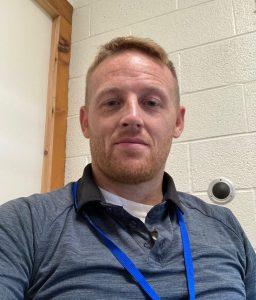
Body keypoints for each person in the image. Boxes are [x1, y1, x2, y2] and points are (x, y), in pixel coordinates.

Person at [0, 36, 255, 300]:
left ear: (177, 122)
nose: (132, 117)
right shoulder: (21, 225)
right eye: (112, 102)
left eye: (151, 103)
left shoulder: (225, 226)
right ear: (86, 122)